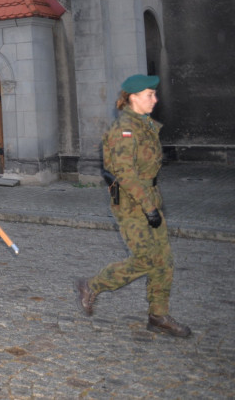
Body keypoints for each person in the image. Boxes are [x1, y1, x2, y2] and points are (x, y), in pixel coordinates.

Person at [75, 74, 192, 338]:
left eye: (154, 93)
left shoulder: (145, 125)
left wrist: (153, 203)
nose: (155, 99)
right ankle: (93, 285)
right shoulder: (124, 130)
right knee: (147, 259)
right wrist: (148, 207)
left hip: (149, 197)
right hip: (131, 204)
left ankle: (158, 315)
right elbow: (125, 175)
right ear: (133, 98)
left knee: (164, 260)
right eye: (149, 94)